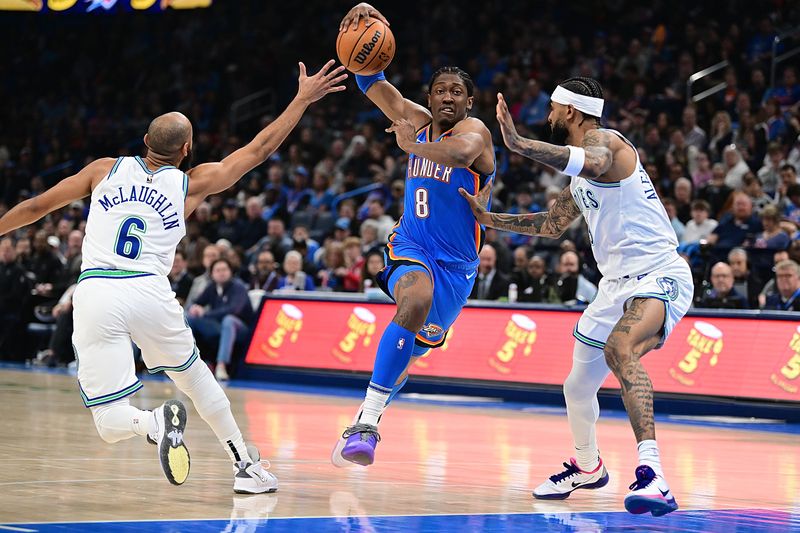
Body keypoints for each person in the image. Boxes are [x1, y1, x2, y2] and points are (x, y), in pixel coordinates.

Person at [0, 60, 345, 493]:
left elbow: (35, 208)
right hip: (149, 290)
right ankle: (245, 467)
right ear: (187, 151)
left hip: (97, 291)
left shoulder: (102, 170)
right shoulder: (191, 183)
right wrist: (301, 99)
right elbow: (259, 150)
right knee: (196, 377)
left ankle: (152, 422)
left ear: (144, 141)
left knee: (109, 421)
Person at [461, 77, 693, 516]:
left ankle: (654, 475)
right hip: (614, 286)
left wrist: (519, 143)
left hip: (658, 274)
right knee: (577, 386)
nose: (548, 116)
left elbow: (594, 159)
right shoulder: (584, 179)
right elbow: (550, 224)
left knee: (620, 349)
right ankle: (588, 467)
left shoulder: (608, 143)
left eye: (552, 108)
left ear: (570, 111)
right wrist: (488, 217)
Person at [332, 3, 496, 471]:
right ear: (430, 97)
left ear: (469, 102)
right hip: (412, 245)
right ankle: (367, 421)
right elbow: (371, 83)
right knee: (414, 299)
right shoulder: (418, 120)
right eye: (440, 90)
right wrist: (361, 38)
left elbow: (459, 155)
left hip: (458, 267)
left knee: (413, 349)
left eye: (457, 92)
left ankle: (368, 412)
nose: (448, 96)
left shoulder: (476, 132)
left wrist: (411, 146)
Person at [187, 258, 253, 381]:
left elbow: (234, 310)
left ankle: (221, 366)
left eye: (224, 270)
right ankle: (188, 364)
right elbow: (195, 302)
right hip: (218, 327)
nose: (221, 273)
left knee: (228, 319)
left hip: (240, 329)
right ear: (212, 274)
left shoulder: (238, 287)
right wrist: (194, 308)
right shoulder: (212, 287)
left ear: (230, 272)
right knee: (189, 318)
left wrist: (205, 313)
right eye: (218, 270)